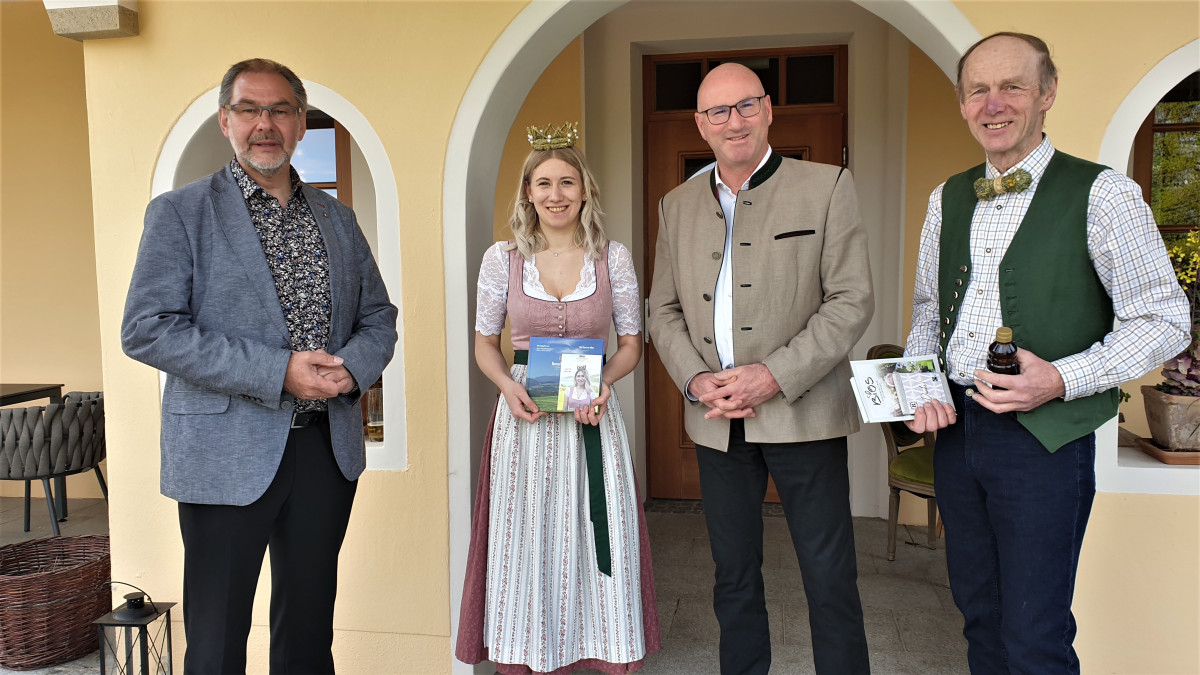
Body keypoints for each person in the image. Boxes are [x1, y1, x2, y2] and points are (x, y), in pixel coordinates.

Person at [904, 32, 1191, 674]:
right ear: (962, 102)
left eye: (1013, 86)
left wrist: (1061, 378)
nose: (993, 102)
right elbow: (928, 311)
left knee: (1036, 632)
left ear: (1048, 94)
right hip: (957, 430)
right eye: (978, 88)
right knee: (978, 616)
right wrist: (921, 383)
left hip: (1043, 442)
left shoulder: (1103, 193)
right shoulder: (945, 197)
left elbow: (1166, 319)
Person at [121, 58, 397, 673]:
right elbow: (147, 330)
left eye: (280, 110)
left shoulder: (336, 218)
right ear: (226, 121)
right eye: (249, 109)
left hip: (324, 449)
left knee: (307, 634)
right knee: (217, 639)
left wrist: (352, 369)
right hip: (224, 453)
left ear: (301, 123)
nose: (264, 123)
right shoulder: (181, 213)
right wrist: (278, 371)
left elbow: (379, 316)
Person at [647, 63, 874, 674]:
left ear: (769, 109)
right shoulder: (675, 204)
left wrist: (772, 375)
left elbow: (851, 300)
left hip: (805, 414)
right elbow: (660, 309)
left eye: (745, 106)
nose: (734, 121)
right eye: (718, 112)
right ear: (700, 125)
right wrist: (695, 381)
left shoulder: (827, 185)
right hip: (717, 420)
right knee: (733, 574)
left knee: (829, 576)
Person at [455, 123, 660, 674]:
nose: (556, 194)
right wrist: (508, 387)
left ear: (585, 189)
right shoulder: (503, 259)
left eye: (567, 182)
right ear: (527, 192)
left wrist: (603, 385)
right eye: (543, 183)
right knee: (529, 537)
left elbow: (631, 345)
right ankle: (530, 650)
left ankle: (604, 648)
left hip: (593, 414)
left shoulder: (611, 257)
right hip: (525, 418)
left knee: (599, 531)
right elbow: (484, 345)